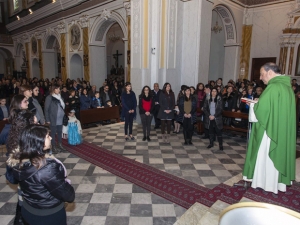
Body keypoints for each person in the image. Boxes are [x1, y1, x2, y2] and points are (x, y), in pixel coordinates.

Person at [243, 63, 296, 194]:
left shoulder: (273, 87)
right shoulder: (287, 87)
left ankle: (264, 183)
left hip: (270, 132)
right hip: (281, 130)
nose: (261, 78)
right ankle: (277, 183)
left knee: (265, 156)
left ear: (270, 72)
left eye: (262, 74)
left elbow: (263, 111)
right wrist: (259, 103)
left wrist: (253, 105)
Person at [10, 125, 75, 225]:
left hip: (28, 210)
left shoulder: (18, 162)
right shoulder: (46, 168)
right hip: (48, 216)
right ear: (39, 141)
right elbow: (68, 196)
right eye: (48, 136)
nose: (51, 138)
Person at [44, 84, 66, 154]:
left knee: (59, 132)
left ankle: (59, 144)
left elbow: (62, 107)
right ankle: (53, 146)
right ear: (54, 89)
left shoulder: (60, 97)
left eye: (59, 89)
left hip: (60, 118)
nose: (59, 90)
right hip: (53, 118)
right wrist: (47, 119)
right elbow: (46, 109)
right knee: (53, 133)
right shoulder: (49, 98)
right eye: (58, 89)